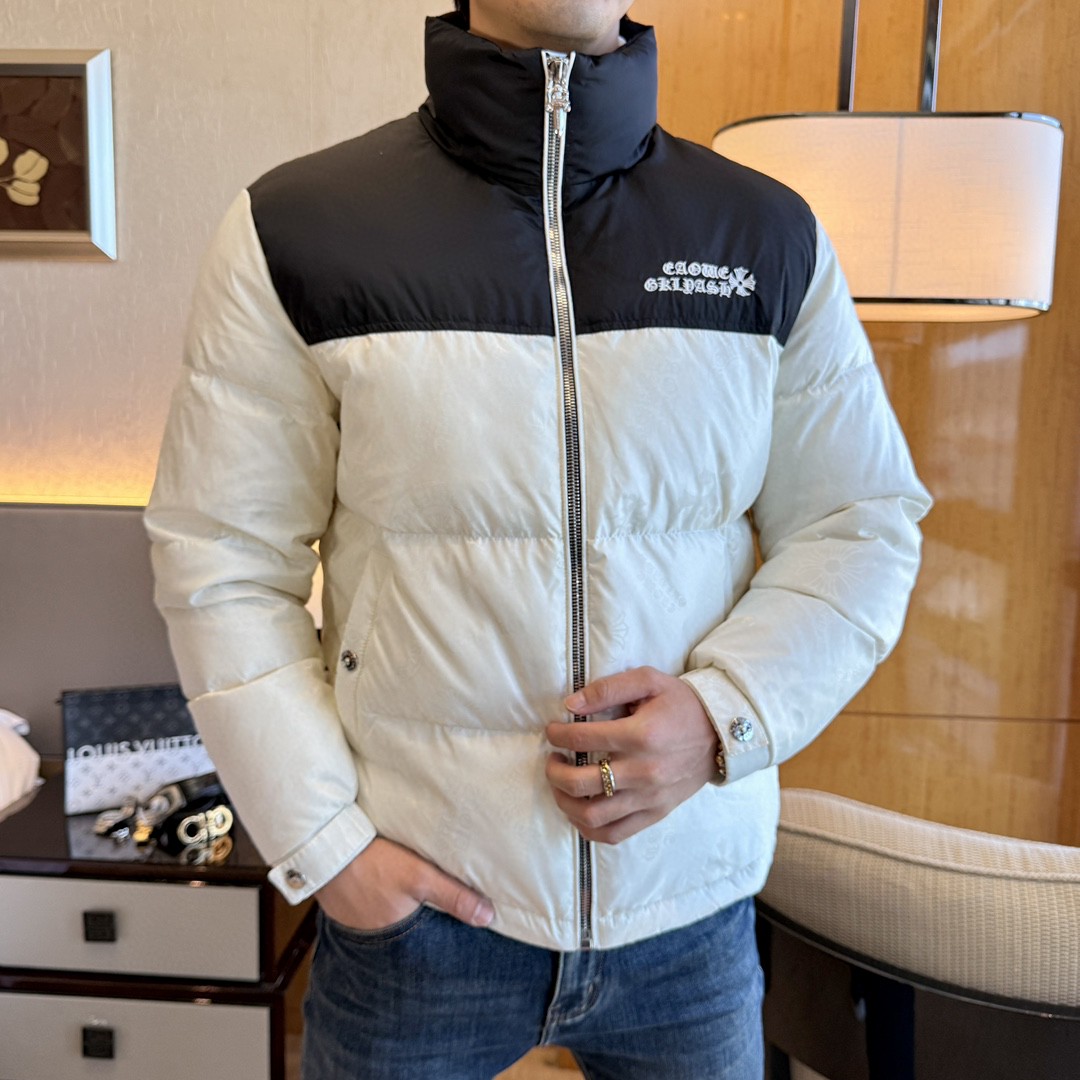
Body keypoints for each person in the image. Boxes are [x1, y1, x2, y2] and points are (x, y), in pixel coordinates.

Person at [145, 1, 932, 1076]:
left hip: (690, 917)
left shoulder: (765, 235)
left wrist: (723, 718)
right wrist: (327, 848)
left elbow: (860, 524)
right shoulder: (298, 230)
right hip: (411, 922)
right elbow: (223, 560)